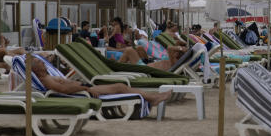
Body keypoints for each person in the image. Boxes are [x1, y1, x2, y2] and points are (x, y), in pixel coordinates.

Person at [30, 58, 178, 107]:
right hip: (83, 91)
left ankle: (152, 97)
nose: (44, 63)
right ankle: (153, 98)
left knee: (121, 87)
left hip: (83, 88)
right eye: (39, 62)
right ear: (36, 69)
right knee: (120, 87)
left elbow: (65, 86)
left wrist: (80, 85)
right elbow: (63, 90)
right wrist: (85, 89)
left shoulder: (48, 75)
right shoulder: (46, 80)